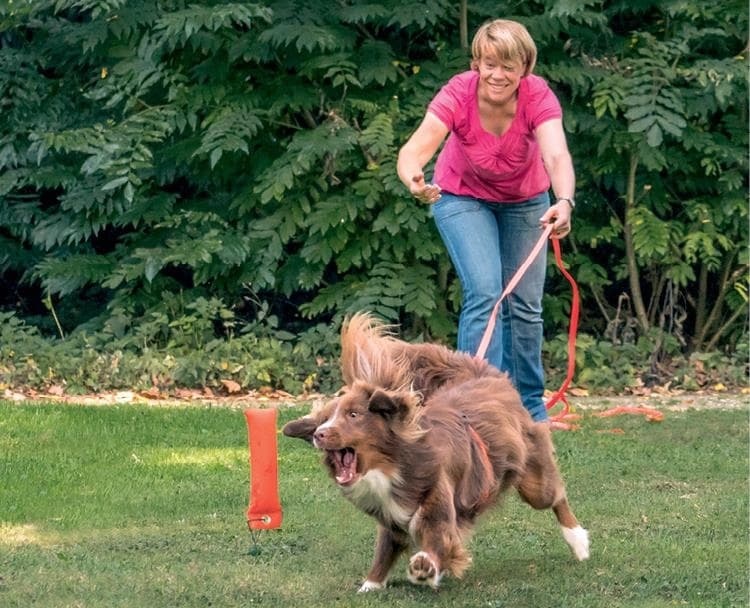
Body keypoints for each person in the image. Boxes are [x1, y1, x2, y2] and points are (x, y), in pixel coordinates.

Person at [396, 19, 575, 422]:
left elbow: (557, 155)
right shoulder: (459, 92)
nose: (497, 75)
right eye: (489, 64)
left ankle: (528, 405)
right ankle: (475, 405)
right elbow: (413, 152)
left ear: (524, 67)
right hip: (459, 196)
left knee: (526, 305)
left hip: (527, 202)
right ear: (477, 63)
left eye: (508, 66)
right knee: (485, 290)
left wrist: (564, 200)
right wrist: (414, 181)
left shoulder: (538, 96)